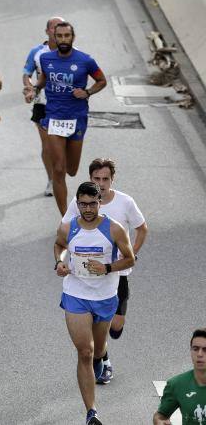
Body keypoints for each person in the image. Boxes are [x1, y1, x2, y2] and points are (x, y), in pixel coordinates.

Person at [54, 181, 135, 425]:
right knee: (85, 351)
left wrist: (108, 267)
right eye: (82, 204)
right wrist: (59, 262)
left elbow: (130, 259)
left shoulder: (115, 229)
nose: (87, 209)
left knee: (98, 349)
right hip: (76, 295)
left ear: (100, 202)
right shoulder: (68, 228)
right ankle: (92, 413)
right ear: (77, 204)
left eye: (92, 203)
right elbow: (59, 246)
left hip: (105, 297)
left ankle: (102, 356)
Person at [61, 158, 148, 384]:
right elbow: (65, 231)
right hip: (85, 278)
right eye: (96, 179)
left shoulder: (125, 202)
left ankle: (101, 346)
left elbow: (142, 228)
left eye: (105, 179)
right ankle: (103, 359)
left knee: (116, 328)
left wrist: (130, 254)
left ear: (112, 179)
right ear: (90, 179)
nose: (101, 183)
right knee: (93, 340)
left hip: (117, 274)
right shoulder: (81, 201)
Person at [37, 21, 108, 215]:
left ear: (72, 37)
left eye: (66, 36)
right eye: (59, 36)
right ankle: (66, 218)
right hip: (54, 118)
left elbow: (102, 80)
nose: (63, 40)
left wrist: (88, 92)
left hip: (76, 118)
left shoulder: (86, 60)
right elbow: (44, 79)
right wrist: (34, 88)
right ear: (54, 37)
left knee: (71, 170)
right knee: (58, 169)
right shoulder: (46, 59)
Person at [22, 16, 66, 197]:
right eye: (54, 28)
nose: (57, 31)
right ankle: (52, 180)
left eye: (61, 28)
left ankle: (60, 175)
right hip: (42, 104)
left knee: (62, 146)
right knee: (48, 146)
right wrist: (29, 88)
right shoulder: (37, 52)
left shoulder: (72, 52)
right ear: (47, 31)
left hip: (64, 106)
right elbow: (27, 73)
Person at [153, 328, 206, 425]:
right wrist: (159, 422)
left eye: (205, 350)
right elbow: (160, 416)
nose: (199, 354)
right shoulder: (176, 385)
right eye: (195, 349)